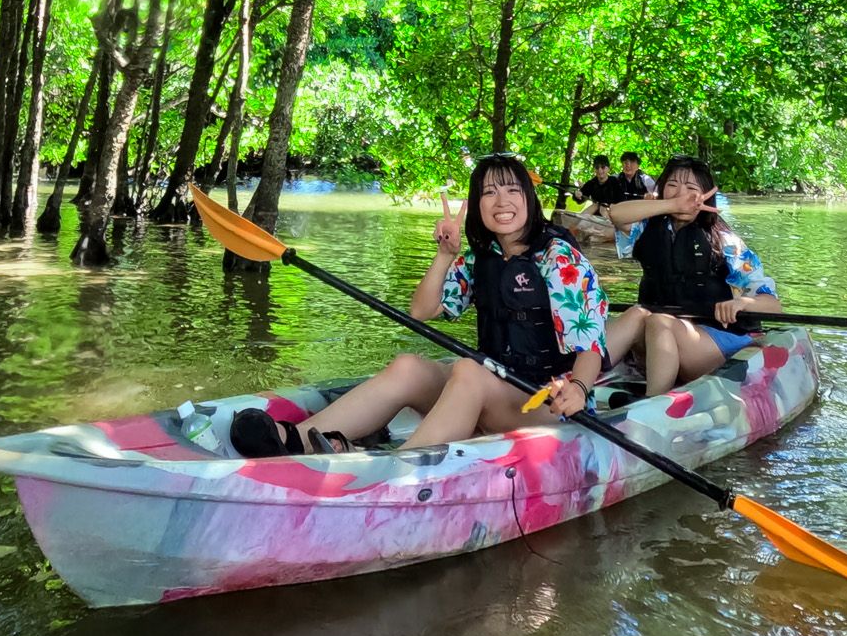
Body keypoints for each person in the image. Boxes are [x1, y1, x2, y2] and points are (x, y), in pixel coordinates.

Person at [228, 155, 608, 455]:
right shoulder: (481, 257)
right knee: (408, 366)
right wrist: (444, 255)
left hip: (546, 403)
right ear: (477, 204)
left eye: (512, 190)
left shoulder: (559, 258)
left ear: (529, 198)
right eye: (489, 193)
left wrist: (578, 387)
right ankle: (297, 439)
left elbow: (589, 345)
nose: (502, 201)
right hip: (495, 392)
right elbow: (422, 312)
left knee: (469, 371)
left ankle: (399, 467)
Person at [601, 155, 782, 394]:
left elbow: (773, 304)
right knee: (637, 313)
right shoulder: (647, 227)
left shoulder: (725, 241)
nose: (682, 194)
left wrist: (742, 302)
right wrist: (673, 205)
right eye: (673, 186)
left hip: (713, 340)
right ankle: (577, 382)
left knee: (658, 320)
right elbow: (616, 214)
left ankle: (653, 404)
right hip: (662, 335)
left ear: (706, 196)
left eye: (691, 189)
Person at [606, 150, 658, 257]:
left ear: (637, 165)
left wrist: (652, 196)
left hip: (640, 214)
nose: (628, 165)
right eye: (625, 162)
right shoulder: (616, 179)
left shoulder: (645, 179)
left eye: (631, 162)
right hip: (621, 213)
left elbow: (656, 194)